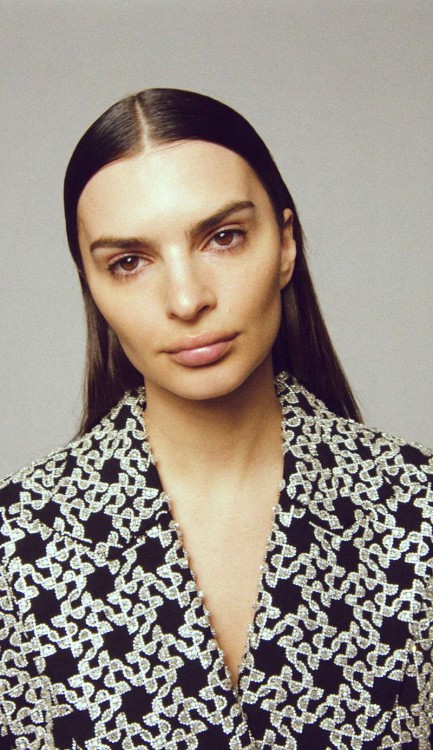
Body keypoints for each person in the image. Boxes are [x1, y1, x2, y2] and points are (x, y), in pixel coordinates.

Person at [0, 88, 431, 750]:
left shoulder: (417, 510)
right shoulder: (17, 543)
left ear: (285, 245)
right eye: (129, 262)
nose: (186, 299)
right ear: (92, 286)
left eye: (223, 237)